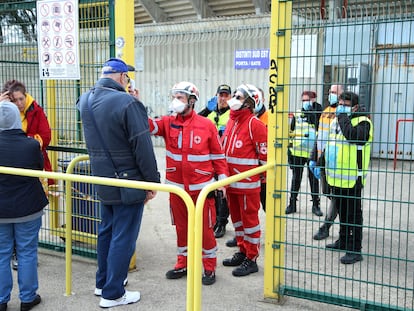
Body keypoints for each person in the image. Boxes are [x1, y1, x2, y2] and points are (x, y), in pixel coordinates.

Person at [77, 58, 160, 308]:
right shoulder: (128, 102)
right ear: (123, 77)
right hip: (128, 181)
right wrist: (151, 182)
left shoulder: (85, 100)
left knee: (107, 231)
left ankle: (103, 283)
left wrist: (132, 101)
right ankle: (113, 294)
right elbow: (141, 145)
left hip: (103, 178)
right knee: (123, 236)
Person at [149, 81, 228, 286]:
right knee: (181, 228)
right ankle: (182, 262)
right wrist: (133, 101)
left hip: (201, 191)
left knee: (205, 230)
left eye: (180, 97)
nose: (175, 101)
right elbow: (148, 125)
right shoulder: (168, 122)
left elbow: (219, 156)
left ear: (192, 101)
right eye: (174, 97)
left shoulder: (206, 125)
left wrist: (222, 183)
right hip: (177, 190)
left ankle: (209, 267)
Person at [0, 101, 48, 311]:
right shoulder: (30, 145)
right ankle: (27, 298)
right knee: (27, 251)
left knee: (1, 253)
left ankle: (1, 300)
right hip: (28, 207)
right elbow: (38, 167)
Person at [314, 91, 372, 264]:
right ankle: (343, 241)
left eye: (345, 104)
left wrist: (343, 117)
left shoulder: (363, 121)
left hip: (353, 178)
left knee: (353, 215)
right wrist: (319, 161)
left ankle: (355, 250)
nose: (341, 107)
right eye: (340, 103)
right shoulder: (337, 121)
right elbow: (331, 143)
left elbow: (353, 136)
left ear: (354, 106)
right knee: (343, 213)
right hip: (336, 178)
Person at [1, 80, 53, 271]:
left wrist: (27, 143)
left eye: (21, 98)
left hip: (28, 169)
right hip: (16, 172)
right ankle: (27, 294)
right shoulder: (6, 113)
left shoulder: (35, 110)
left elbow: (45, 135)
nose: (19, 103)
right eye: (14, 100)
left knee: (23, 238)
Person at [221, 84, 267, 277]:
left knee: (250, 222)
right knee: (237, 222)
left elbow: (264, 155)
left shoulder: (254, 124)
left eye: (238, 97)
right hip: (231, 184)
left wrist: (261, 179)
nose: (233, 99)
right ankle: (242, 250)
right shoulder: (232, 121)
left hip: (248, 185)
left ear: (249, 102)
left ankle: (252, 257)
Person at [311, 84, 345, 240]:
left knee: (336, 195)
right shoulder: (325, 112)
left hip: (336, 162)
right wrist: (314, 158)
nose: (331, 94)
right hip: (323, 160)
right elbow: (319, 136)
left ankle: (327, 225)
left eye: (334, 92)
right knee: (327, 192)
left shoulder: (343, 113)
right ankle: (342, 212)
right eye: (330, 92)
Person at [199, 84, 232, 239]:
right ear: (216, 96)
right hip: (209, 158)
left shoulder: (232, 114)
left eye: (226, 96)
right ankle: (214, 220)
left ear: (230, 98)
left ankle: (222, 222)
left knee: (223, 191)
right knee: (212, 191)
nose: (223, 98)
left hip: (225, 158)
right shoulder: (210, 114)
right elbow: (195, 120)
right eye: (221, 95)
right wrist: (207, 109)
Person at [286, 91, 323, 216]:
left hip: (312, 152)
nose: (305, 103)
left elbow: (320, 129)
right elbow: (291, 131)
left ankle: (316, 205)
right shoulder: (297, 113)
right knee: (296, 178)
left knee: (313, 179)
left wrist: (314, 113)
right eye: (303, 100)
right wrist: (289, 151)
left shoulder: (319, 113)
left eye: (307, 100)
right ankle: (292, 204)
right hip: (297, 152)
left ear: (313, 100)